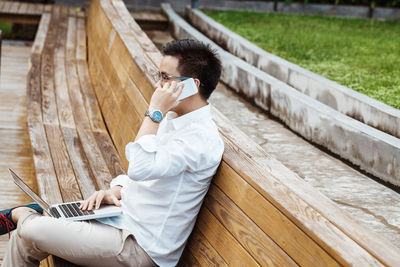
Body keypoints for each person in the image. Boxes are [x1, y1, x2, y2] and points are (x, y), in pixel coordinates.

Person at [0, 39, 224, 267]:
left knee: (32, 228)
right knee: (26, 238)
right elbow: (146, 175)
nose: (158, 85)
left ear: (192, 85)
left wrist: (154, 112)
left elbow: (140, 168)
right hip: (120, 221)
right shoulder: (175, 119)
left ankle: (20, 214)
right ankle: (27, 218)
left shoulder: (200, 139)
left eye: (166, 78)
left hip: (141, 247)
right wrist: (116, 190)